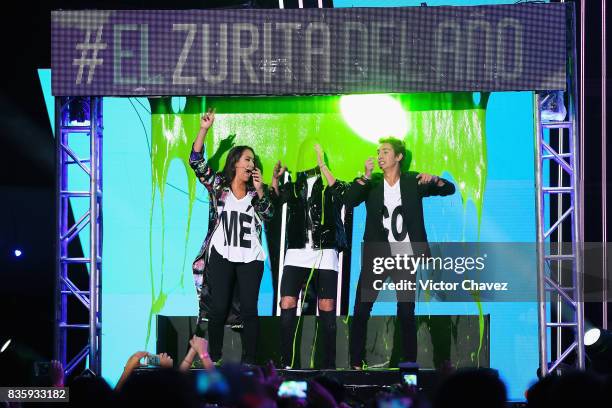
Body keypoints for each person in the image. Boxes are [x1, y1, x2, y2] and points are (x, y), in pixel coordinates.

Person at [345, 137, 455, 369]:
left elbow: (449, 189)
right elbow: (349, 200)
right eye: (378, 152)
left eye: (385, 151)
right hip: (377, 255)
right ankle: (355, 361)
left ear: (399, 156)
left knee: (406, 310)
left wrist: (435, 179)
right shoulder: (372, 182)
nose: (380, 156)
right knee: (361, 308)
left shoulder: (412, 181)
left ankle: (409, 364)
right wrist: (364, 177)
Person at [189, 108, 274, 365]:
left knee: (249, 309)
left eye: (253, 161)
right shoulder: (219, 187)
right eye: (247, 159)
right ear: (236, 161)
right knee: (217, 308)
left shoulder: (256, 192)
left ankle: (250, 361)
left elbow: (269, 216)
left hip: (250, 257)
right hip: (222, 254)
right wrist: (204, 129)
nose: (251, 164)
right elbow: (197, 163)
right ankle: (213, 358)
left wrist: (260, 191)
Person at [271, 140, 350, 369]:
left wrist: (323, 166)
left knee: (326, 306)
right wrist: (276, 179)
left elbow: (343, 195)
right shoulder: (295, 186)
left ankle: (329, 365)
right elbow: (275, 201)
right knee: (287, 302)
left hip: (325, 249)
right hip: (297, 249)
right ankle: (285, 361)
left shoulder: (329, 183)